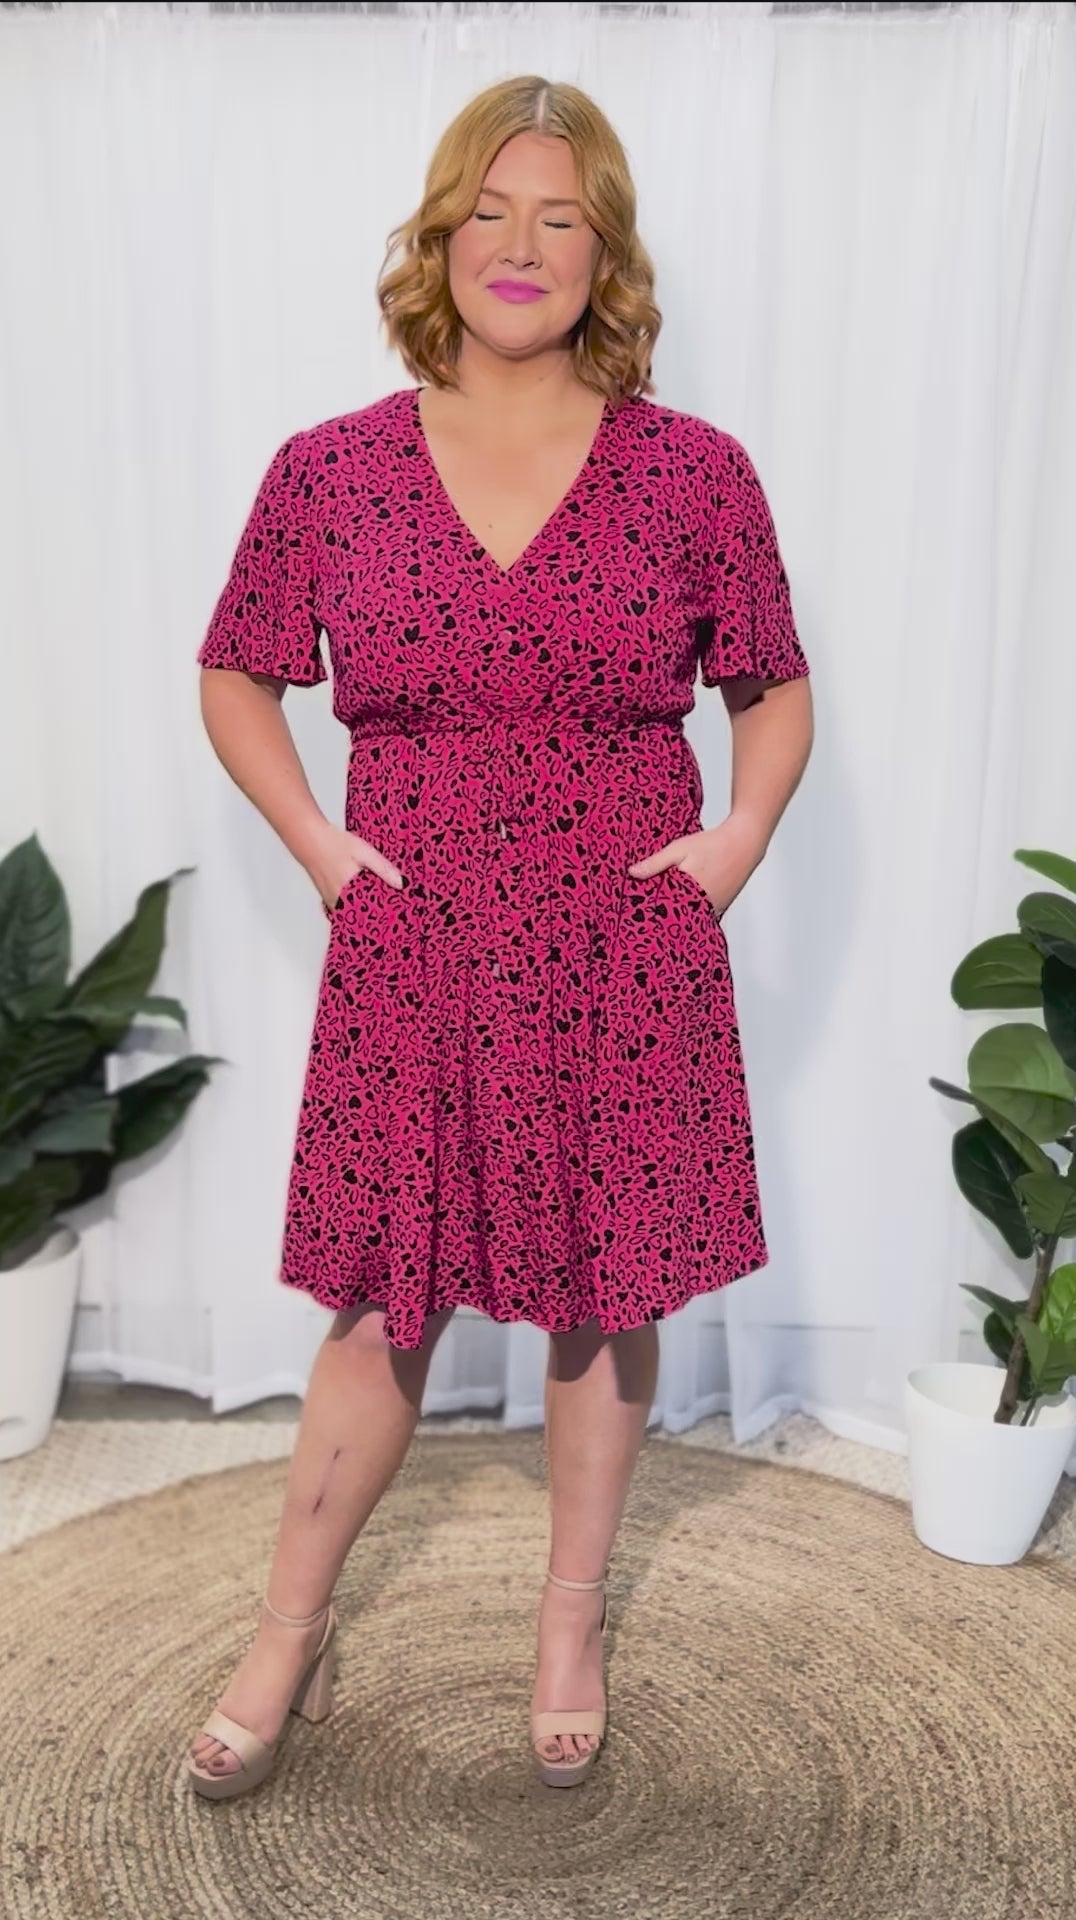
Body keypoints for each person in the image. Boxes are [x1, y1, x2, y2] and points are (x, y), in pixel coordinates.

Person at [187, 73, 814, 1800]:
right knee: (378, 1301)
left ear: (606, 251)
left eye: (561, 216)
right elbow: (235, 671)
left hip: (622, 932)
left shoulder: (694, 471)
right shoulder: (330, 469)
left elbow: (771, 686)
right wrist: (323, 850)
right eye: (489, 211)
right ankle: (289, 1629)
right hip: (419, 935)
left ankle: (570, 1621)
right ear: (440, 235)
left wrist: (736, 840)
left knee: (605, 1292)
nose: (521, 245)